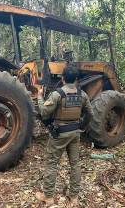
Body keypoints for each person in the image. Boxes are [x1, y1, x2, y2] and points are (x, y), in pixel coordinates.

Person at [35, 65, 94, 206]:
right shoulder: (82, 95)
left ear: (62, 78)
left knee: (52, 164)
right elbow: (90, 113)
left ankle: (48, 197)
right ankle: (74, 197)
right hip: (75, 134)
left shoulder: (57, 94)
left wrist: (39, 96)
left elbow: (43, 112)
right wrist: (82, 125)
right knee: (75, 164)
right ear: (76, 80)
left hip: (59, 134)